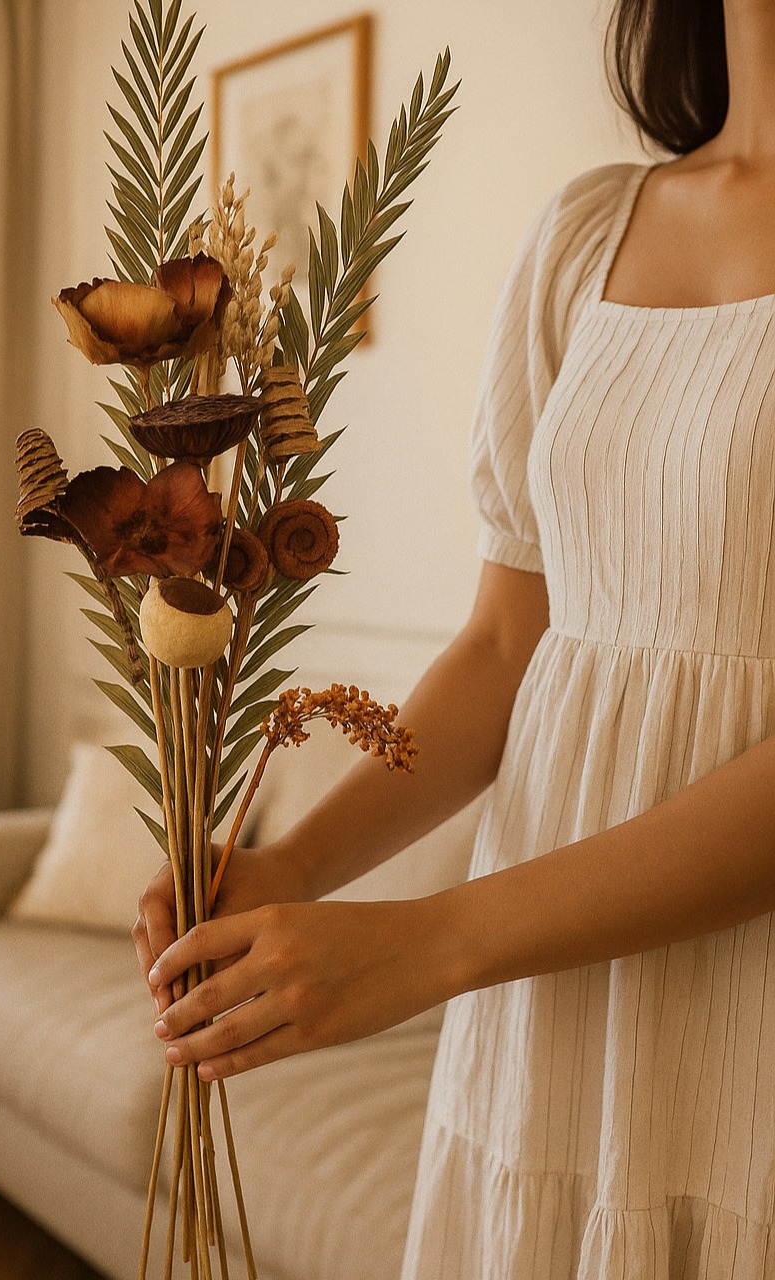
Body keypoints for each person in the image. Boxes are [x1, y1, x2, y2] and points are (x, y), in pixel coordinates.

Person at [132, 0, 775, 1273]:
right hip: (546, 1031)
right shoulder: (590, 232)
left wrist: (427, 943)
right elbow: (504, 646)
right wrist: (296, 867)